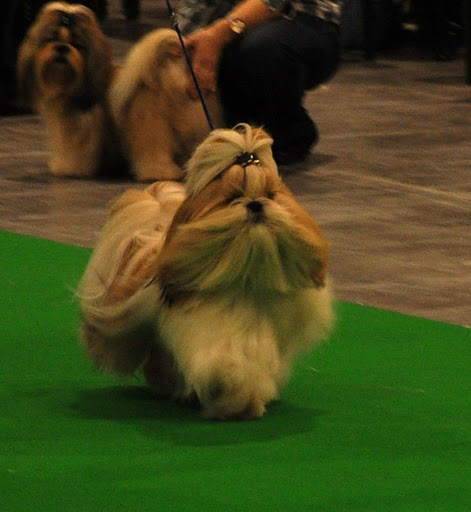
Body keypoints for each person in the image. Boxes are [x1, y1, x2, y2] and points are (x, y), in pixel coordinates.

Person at [178, 0, 343, 164]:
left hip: (305, 19)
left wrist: (217, 35)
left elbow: (272, 4)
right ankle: (235, 131)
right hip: (233, 19)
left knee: (260, 50)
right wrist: (184, 43)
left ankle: (286, 133)